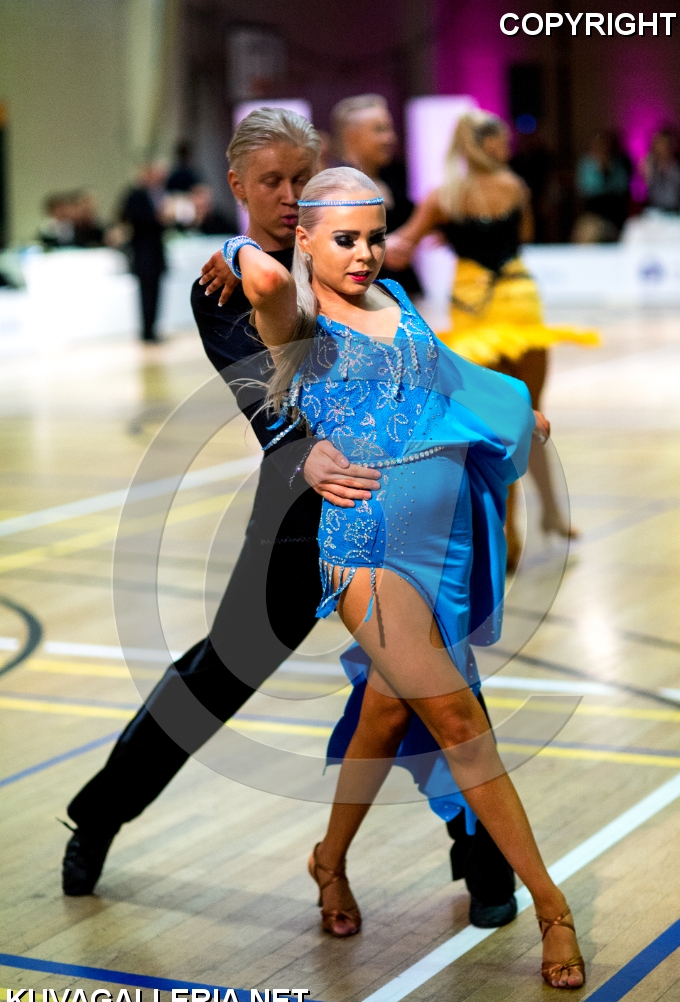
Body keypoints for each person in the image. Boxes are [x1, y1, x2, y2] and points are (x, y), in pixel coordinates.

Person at [61, 109, 515, 929]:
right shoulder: (225, 285)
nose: (287, 194)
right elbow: (262, 395)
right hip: (299, 521)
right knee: (217, 678)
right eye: (270, 181)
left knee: (438, 681)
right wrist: (302, 447)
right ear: (236, 184)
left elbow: (421, 362)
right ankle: (98, 817)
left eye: (301, 178)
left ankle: (482, 859)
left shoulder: (350, 254)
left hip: (393, 512)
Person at [229, 165, 585, 988]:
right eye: (343, 239)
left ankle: (327, 859)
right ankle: (552, 905)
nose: (364, 253)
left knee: (386, 717)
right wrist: (236, 245)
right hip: (369, 545)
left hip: (447, 540)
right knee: (460, 722)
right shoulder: (299, 318)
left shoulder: (396, 298)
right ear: (304, 239)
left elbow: (444, 375)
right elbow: (266, 282)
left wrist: (513, 413)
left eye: (374, 236)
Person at [384, 111, 599, 568]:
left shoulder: (444, 197)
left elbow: (401, 246)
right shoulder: (515, 188)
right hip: (520, 306)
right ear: (486, 145)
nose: (507, 148)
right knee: (528, 417)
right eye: (501, 141)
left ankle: (510, 528)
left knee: (494, 425)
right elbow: (523, 236)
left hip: (475, 316)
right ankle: (541, 516)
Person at [332, 94, 421, 296]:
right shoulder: (336, 188)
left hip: (402, 291)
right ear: (352, 136)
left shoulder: (392, 177)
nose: (390, 138)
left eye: (389, 129)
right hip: (364, 297)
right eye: (380, 130)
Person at [120, 161, 169, 343]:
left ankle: (153, 328)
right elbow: (138, 221)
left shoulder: (155, 195)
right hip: (144, 255)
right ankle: (147, 331)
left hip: (154, 254)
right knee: (146, 295)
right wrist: (160, 218)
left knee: (155, 294)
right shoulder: (135, 196)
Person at [576, 130, 632, 236]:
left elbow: (621, 187)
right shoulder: (587, 164)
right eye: (598, 145)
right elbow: (586, 189)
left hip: (615, 214)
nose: (602, 149)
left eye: (605, 145)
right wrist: (600, 169)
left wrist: (608, 169)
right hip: (593, 215)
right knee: (587, 232)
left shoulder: (618, 164)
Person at [641, 127, 680, 213]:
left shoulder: (678, 168)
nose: (661, 147)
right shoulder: (650, 164)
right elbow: (643, 190)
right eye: (659, 144)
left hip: (675, 211)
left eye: (665, 144)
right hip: (653, 211)